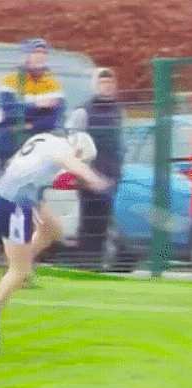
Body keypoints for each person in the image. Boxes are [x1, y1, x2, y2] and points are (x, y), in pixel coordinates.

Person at [0, 131, 111, 351]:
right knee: (21, 272)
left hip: (18, 197)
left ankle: (13, 271)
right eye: (82, 158)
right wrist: (96, 180)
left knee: (53, 229)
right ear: (78, 150)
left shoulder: (45, 138)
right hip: (14, 205)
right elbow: (69, 162)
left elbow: (18, 165)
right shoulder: (65, 150)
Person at [66, 68, 124, 266]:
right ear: (95, 85)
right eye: (102, 83)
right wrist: (83, 174)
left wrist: (117, 172)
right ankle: (85, 264)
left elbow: (119, 145)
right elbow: (73, 143)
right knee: (88, 221)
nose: (107, 87)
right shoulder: (84, 112)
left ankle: (97, 264)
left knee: (103, 222)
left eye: (110, 83)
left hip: (111, 176)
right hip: (88, 176)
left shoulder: (118, 110)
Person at [0, 38, 65, 174]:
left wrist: (27, 125)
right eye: (36, 52)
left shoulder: (54, 85)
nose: (40, 56)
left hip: (38, 149)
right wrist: (38, 105)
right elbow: (10, 113)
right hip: (11, 147)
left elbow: (52, 121)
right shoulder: (10, 81)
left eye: (44, 53)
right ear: (26, 56)